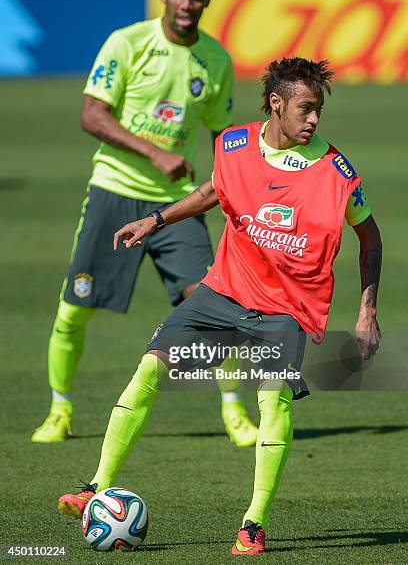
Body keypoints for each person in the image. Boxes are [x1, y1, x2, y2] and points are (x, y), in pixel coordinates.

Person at [57, 58, 382, 556]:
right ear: (276, 104)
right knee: (149, 369)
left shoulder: (337, 173)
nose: (315, 120)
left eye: (318, 110)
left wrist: (366, 310)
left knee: (271, 401)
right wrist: (156, 220)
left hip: (285, 309)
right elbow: (214, 190)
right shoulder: (233, 144)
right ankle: (96, 486)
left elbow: (370, 236)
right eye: (306, 108)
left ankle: (253, 522)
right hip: (223, 291)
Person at [31, 0, 258, 447]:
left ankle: (234, 410)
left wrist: (237, 189)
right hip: (114, 191)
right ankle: (60, 409)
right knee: (74, 309)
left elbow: (223, 136)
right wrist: (156, 152)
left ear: (207, 1)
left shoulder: (215, 61)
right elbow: (92, 115)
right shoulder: (127, 42)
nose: (186, 4)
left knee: (215, 306)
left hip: (176, 206)